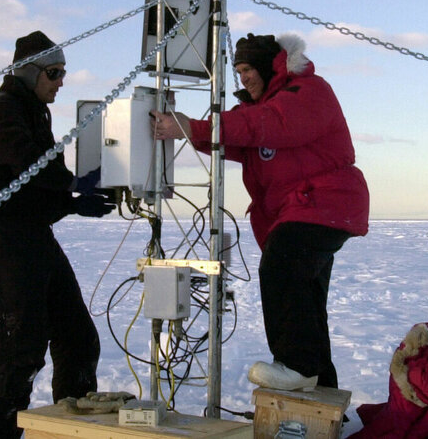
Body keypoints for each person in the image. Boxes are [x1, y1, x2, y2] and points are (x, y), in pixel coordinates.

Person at [151, 33, 369, 392]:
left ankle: (297, 366)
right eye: (237, 71)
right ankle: (320, 388)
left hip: (323, 203)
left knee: (281, 266)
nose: (243, 78)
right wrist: (189, 131)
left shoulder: (307, 92)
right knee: (307, 296)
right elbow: (241, 137)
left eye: (248, 69)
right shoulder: (262, 108)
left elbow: (268, 125)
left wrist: (193, 127)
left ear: (271, 67)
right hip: (308, 207)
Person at [0, 30, 114, 439]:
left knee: (78, 339)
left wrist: (71, 200)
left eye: (63, 72)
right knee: (20, 352)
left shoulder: (35, 113)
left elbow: (39, 186)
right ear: (30, 74)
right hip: (1, 239)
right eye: (53, 72)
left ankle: (71, 431)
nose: (60, 81)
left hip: (33, 236)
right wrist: (73, 185)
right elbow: (27, 163)